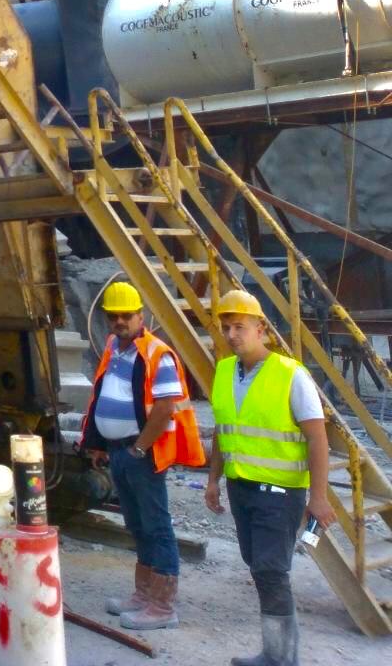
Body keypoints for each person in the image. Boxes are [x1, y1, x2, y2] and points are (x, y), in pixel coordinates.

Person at [204, 289, 333, 666]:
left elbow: (317, 437)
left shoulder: (291, 375)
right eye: (226, 327)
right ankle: (275, 653)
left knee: (270, 570)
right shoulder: (225, 371)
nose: (231, 334)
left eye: (240, 326)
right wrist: (214, 480)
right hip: (241, 487)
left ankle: (281, 658)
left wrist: (319, 497)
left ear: (261, 328)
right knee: (257, 565)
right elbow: (223, 430)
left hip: (280, 494)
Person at [79, 280, 205, 630]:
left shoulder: (157, 354)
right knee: (137, 524)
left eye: (126, 315)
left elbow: (164, 409)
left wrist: (138, 449)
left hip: (142, 454)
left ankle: (162, 607)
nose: (120, 321)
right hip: (120, 452)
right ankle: (144, 594)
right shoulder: (113, 348)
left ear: (141, 316)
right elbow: (101, 393)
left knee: (156, 525)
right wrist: (98, 444)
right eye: (113, 316)